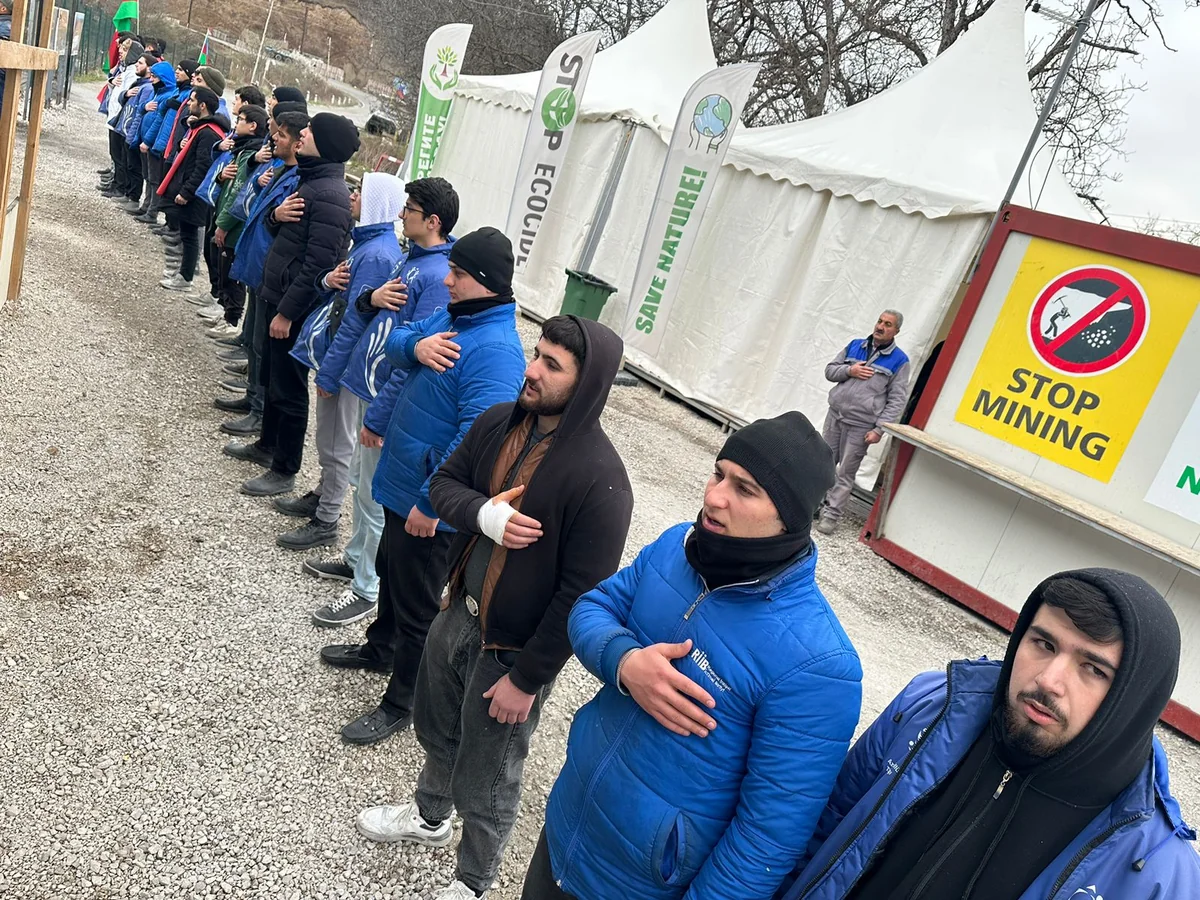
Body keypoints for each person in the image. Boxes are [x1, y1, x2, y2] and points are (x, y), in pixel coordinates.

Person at [522, 411, 862, 900]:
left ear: (790, 516)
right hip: (567, 830)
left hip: (640, 887)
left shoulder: (819, 665)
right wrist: (624, 663)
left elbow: (766, 840)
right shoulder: (676, 547)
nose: (714, 496)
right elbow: (592, 608)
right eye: (718, 473)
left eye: (744, 489)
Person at [356, 316, 634, 900]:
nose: (532, 371)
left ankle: (474, 882)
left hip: (510, 651)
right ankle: (430, 817)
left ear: (586, 383)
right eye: (536, 354)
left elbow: (582, 596)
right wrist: (485, 515)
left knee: (489, 774)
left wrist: (528, 678)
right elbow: (443, 486)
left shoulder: (602, 479)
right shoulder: (498, 423)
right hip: (457, 610)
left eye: (552, 365)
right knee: (437, 729)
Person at [780, 570, 1199, 900]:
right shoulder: (930, 707)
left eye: (1093, 668)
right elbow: (821, 826)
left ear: (1136, 700)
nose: (1048, 680)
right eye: (1044, 644)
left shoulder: (1160, 873)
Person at [320, 227, 527, 747]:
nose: (447, 280)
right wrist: (417, 344)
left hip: (428, 504)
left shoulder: (496, 350)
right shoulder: (456, 318)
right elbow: (394, 342)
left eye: (458, 273)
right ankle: (380, 647)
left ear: (484, 280)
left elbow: (478, 439)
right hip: (404, 481)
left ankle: (401, 702)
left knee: (418, 606)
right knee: (391, 573)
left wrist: (431, 503)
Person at [303, 176, 459, 628]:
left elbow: (414, 358)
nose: (401, 215)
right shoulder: (413, 260)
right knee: (360, 482)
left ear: (433, 221)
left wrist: (381, 415)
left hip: (384, 401)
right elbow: (381, 322)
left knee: (373, 496)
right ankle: (356, 558)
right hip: (371, 387)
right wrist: (371, 298)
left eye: (410, 210)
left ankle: (366, 588)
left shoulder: (435, 277)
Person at [226, 113, 358, 498]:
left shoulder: (330, 195)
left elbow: (318, 265)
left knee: (289, 388)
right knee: (272, 377)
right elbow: (280, 230)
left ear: (326, 143)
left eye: (310, 132)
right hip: (278, 296)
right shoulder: (309, 179)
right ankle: (266, 445)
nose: (303, 134)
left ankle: (284, 468)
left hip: (294, 309)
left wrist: (287, 312)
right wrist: (274, 214)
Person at [277, 173, 407, 551]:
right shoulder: (368, 244)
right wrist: (327, 280)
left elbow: (356, 321)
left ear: (376, 202)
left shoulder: (377, 254)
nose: (352, 195)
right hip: (341, 358)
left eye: (361, 192)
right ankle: (324, 493)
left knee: (336, 440)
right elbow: (342, 298)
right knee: (330, 436)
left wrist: (332, 373)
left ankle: (327, 517)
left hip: (345, 365)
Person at [216, 107, 307, 435]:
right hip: (258, 266)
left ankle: (259, 410)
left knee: (262, 345)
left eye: (281, 134)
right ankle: (252, 396)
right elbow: (254, 208)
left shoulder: (299, 182)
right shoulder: (278, 169)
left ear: (297, 142)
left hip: (270, 271)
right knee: (255, 342)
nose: (274, 138)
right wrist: (258, 180)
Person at [816, 310, 909, 535]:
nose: (881, 326)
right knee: (822, 464)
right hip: (835, 416)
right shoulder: (855, 346)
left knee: (845, 473)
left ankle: (831, 515)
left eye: (888, 324)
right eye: (880, 321)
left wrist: (879, 429)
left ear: (896, 331)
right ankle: (812, 506)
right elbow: (830, 371)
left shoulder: (900, 361)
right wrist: (850, 370)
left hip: (861, 426)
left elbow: (897, 400)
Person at [156, 86, 227, 294]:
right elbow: (189, 153)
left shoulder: (209, 133)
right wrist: (182, 143)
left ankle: (186, 277)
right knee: (186, 233)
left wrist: (186, 192)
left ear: (202, 106)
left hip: (194, 194)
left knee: (189, 235)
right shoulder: (200, 128)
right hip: (189, 189)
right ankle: (182, 272)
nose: (188, 103)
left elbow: (202, 166)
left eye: (192, 100)